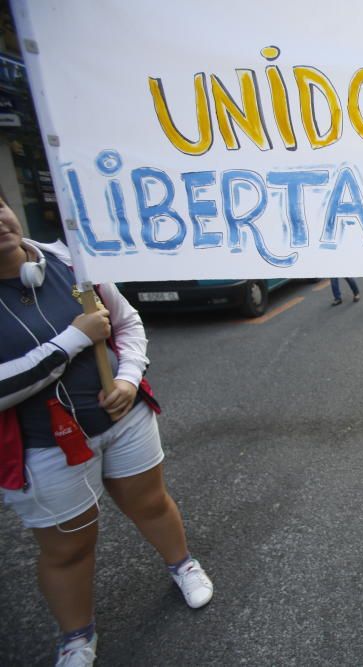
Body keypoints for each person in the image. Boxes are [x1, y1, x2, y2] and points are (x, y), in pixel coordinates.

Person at [0, 192, 213, 667]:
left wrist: (127, 378)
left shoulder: (70, 261)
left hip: (125, 419)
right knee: (69, 547)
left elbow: (127, 323)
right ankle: (77, 636)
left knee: (152, 501)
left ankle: (182, 564)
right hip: (43, 448)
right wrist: (75, 339)